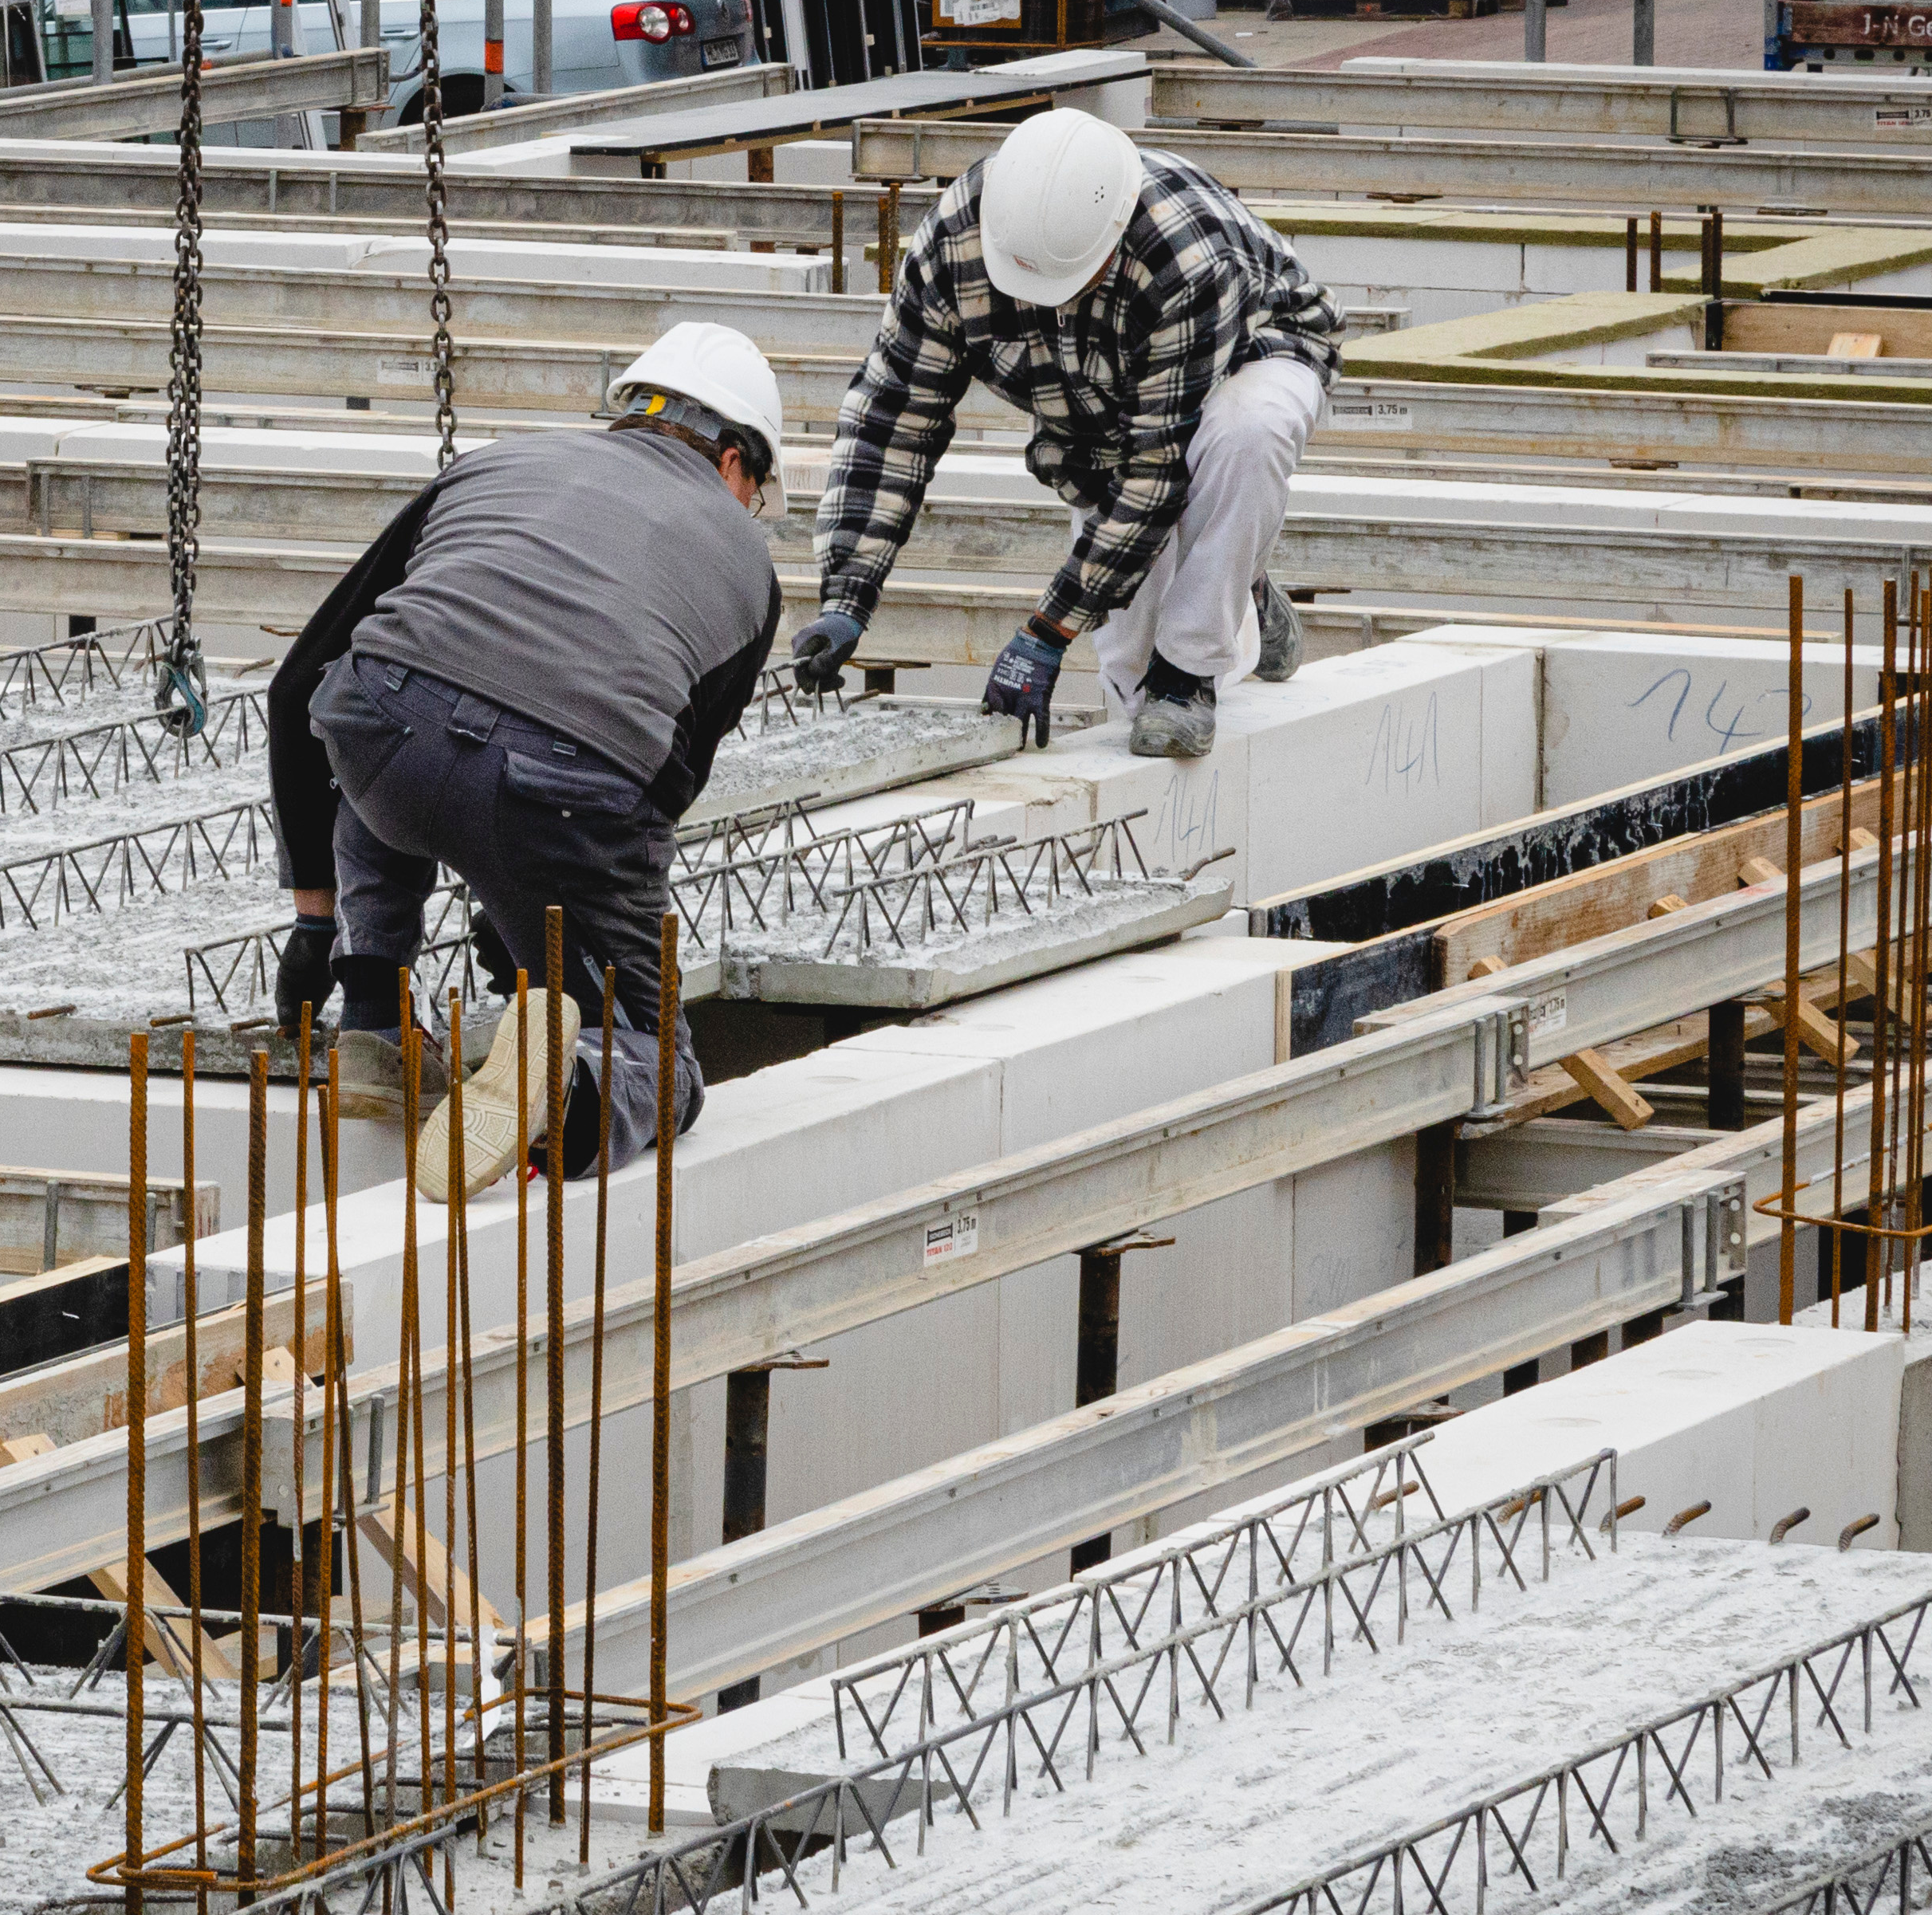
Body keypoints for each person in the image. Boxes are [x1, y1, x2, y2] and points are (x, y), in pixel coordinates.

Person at [264, 323, 787, 1201]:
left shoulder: (494, 465)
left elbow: (295, 688)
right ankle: (571, 1089)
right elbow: (658, 789)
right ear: (733, 457)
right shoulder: (751, 575)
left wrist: (315, 927)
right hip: (561, 789)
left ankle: (372, 1018)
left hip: (382, 732)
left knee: (378, 710)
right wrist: (537, 935)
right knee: (660, 1062)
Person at [793, 105, 1344, 758]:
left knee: (1242, 436)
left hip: (1251, 358)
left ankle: (1194, 665)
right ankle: (1239, 579)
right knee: (1130, 681)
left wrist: (1047, 630)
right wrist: (846, 594)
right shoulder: (955, 242)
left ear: (1110, 240)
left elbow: (1157, 472)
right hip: (1094, 423)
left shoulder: (1182, 257)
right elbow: (893, 419)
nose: (1043, 302)